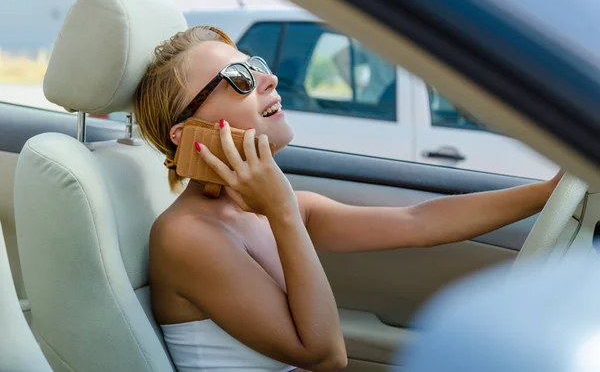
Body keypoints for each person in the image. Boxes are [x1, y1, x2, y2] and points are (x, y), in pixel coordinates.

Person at [133, 25, 562, 372]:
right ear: (186, 133)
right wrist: (282, 210)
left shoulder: (277, 209)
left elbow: (419, 222)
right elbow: (323, 356)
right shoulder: (186, 235)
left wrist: (547, 194)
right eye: (239, 79)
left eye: (256, 65)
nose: (269, 78)